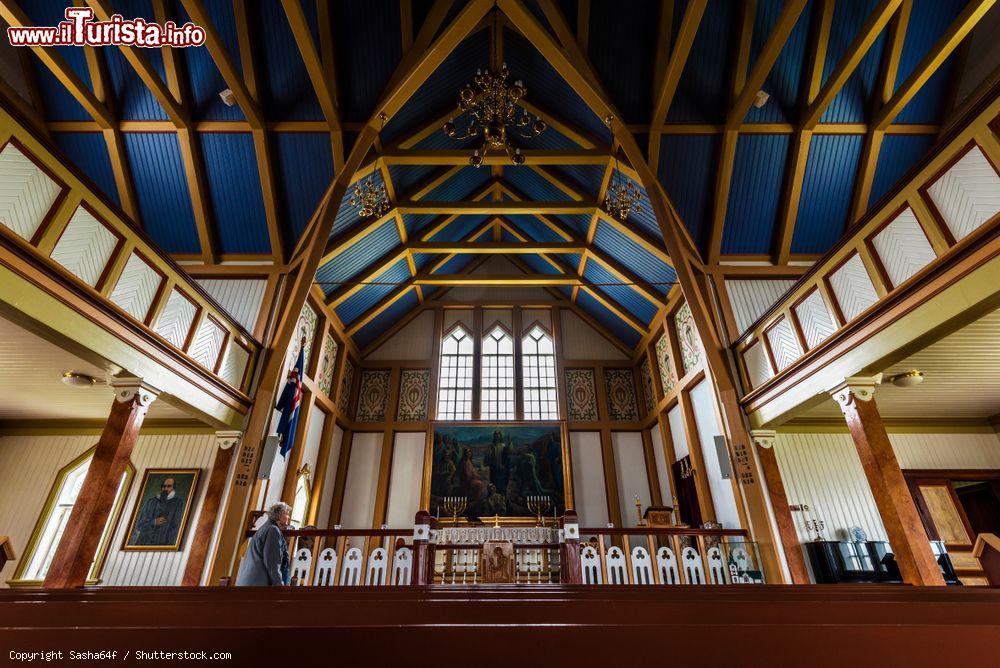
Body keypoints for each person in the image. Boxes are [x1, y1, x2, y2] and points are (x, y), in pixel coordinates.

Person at [235, 502, 291, 586]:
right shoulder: (273, 530)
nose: (289, 517)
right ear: (280, 515)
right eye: (287, 514)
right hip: (259, 584)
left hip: (250, 582)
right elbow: (272, 562)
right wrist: (279, 585)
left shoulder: (264, 528)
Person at [131, 477, 183, 546]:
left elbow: (175, 528)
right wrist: (154, 522)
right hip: (143, 542)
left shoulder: (177, 503)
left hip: (162, 544)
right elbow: (139, 525)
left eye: (169, 486)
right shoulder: (150, 502)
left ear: (173, 488)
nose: (165, 488)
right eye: (164, 486)